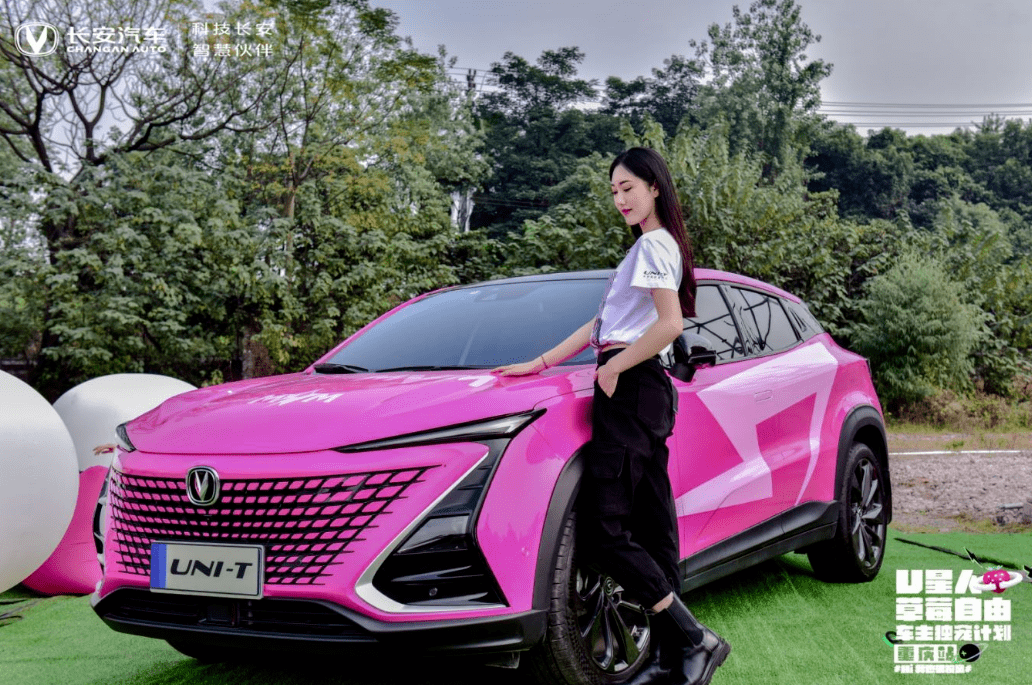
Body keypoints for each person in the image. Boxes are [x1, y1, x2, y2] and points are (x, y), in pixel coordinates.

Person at [494, 147, 729, 685]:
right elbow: (600, 325)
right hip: (642, 387)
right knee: (652, 525)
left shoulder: (653, 245)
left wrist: (614, 368)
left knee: (605, 531)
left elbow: (670, 324)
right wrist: (541, 362)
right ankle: (671, 658)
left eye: (628, 188)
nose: (620, 199)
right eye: (614, 191)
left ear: (654, 187)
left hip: (630, 385)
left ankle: (695, 639)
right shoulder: (652, 247)